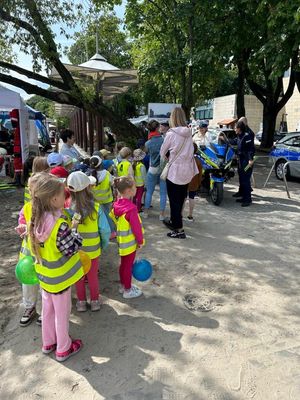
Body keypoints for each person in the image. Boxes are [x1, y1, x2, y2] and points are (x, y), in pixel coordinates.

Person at [28, 175, 84, 362]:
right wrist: (75, 231)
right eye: (62, 195)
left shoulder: (36, 220)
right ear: (53, 200)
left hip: (45, 277)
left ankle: (48, 342)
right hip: (60, 279)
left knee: (48, 311)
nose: (65, 198)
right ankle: (63, 348)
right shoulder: (60, 225)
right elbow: (71, 248)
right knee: (62, 313)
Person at [66, 171, 110, 311]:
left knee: (79, 276)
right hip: (93, 249)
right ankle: (95, 301)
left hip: (76, 250)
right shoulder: (96, 207)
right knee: (92, 277)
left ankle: (81, 303)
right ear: (87, 187)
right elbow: (105, 230)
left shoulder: (67, 209)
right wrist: (103, 244)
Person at [160, 107, 198, 239]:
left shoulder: (171, 134)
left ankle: (178, 229)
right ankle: (176, 224)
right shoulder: (189, 133)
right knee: (181, 200)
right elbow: (192, 150)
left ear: (172, 118)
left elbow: (162, 152)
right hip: (187, 171)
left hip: (175, 171)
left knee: (174, 201)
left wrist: (169, 159)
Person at [110, 176, 144, 299]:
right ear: (129, 191)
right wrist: (140, 241)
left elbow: (114, 218)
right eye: (134, 187)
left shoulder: (117, 205)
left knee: (124, 264)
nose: (136, 189)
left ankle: (123, 285)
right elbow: (136, 228)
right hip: (130, 243)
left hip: (121, 241)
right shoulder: (131, 209)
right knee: (128, 266)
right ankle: (128, 290)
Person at [142, 120, 167, 220]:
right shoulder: (163, 140)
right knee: (163, 193)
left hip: (152, 168)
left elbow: (145, 154)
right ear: (157, 128)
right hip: (163, 168)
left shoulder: (148, 143)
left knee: (149, 192)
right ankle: (161, 215)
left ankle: (146, 212)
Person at [89, 155, 115, 234]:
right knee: (109, 216)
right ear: (101, 164)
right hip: (107, 199)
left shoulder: (90, 175)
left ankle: (101, 232)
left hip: (96, 201)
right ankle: (112, 232)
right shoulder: (107, 174)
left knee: (100, 218)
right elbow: (112, 184)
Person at [232, 121, 255, 207]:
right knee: (242, 179)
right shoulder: (239, 136)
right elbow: (233, 142)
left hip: (246, 161)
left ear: (239, 129)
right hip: (240, 160)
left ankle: (248, 199)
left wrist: (250, 159)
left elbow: (250, 149)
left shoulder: (246, 136)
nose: (234, 129)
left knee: (245, 180)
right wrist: (224, 139)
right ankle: (243, 197)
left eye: (235, 128)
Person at [185, 143, 202, 221]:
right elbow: (200, 174)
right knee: (191, 198)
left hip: (184, 182)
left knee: (183, 198)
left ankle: (180, 215)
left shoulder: (185, 159)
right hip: (194, 183)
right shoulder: (198, 161)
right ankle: (190, 216)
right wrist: (198, 183)